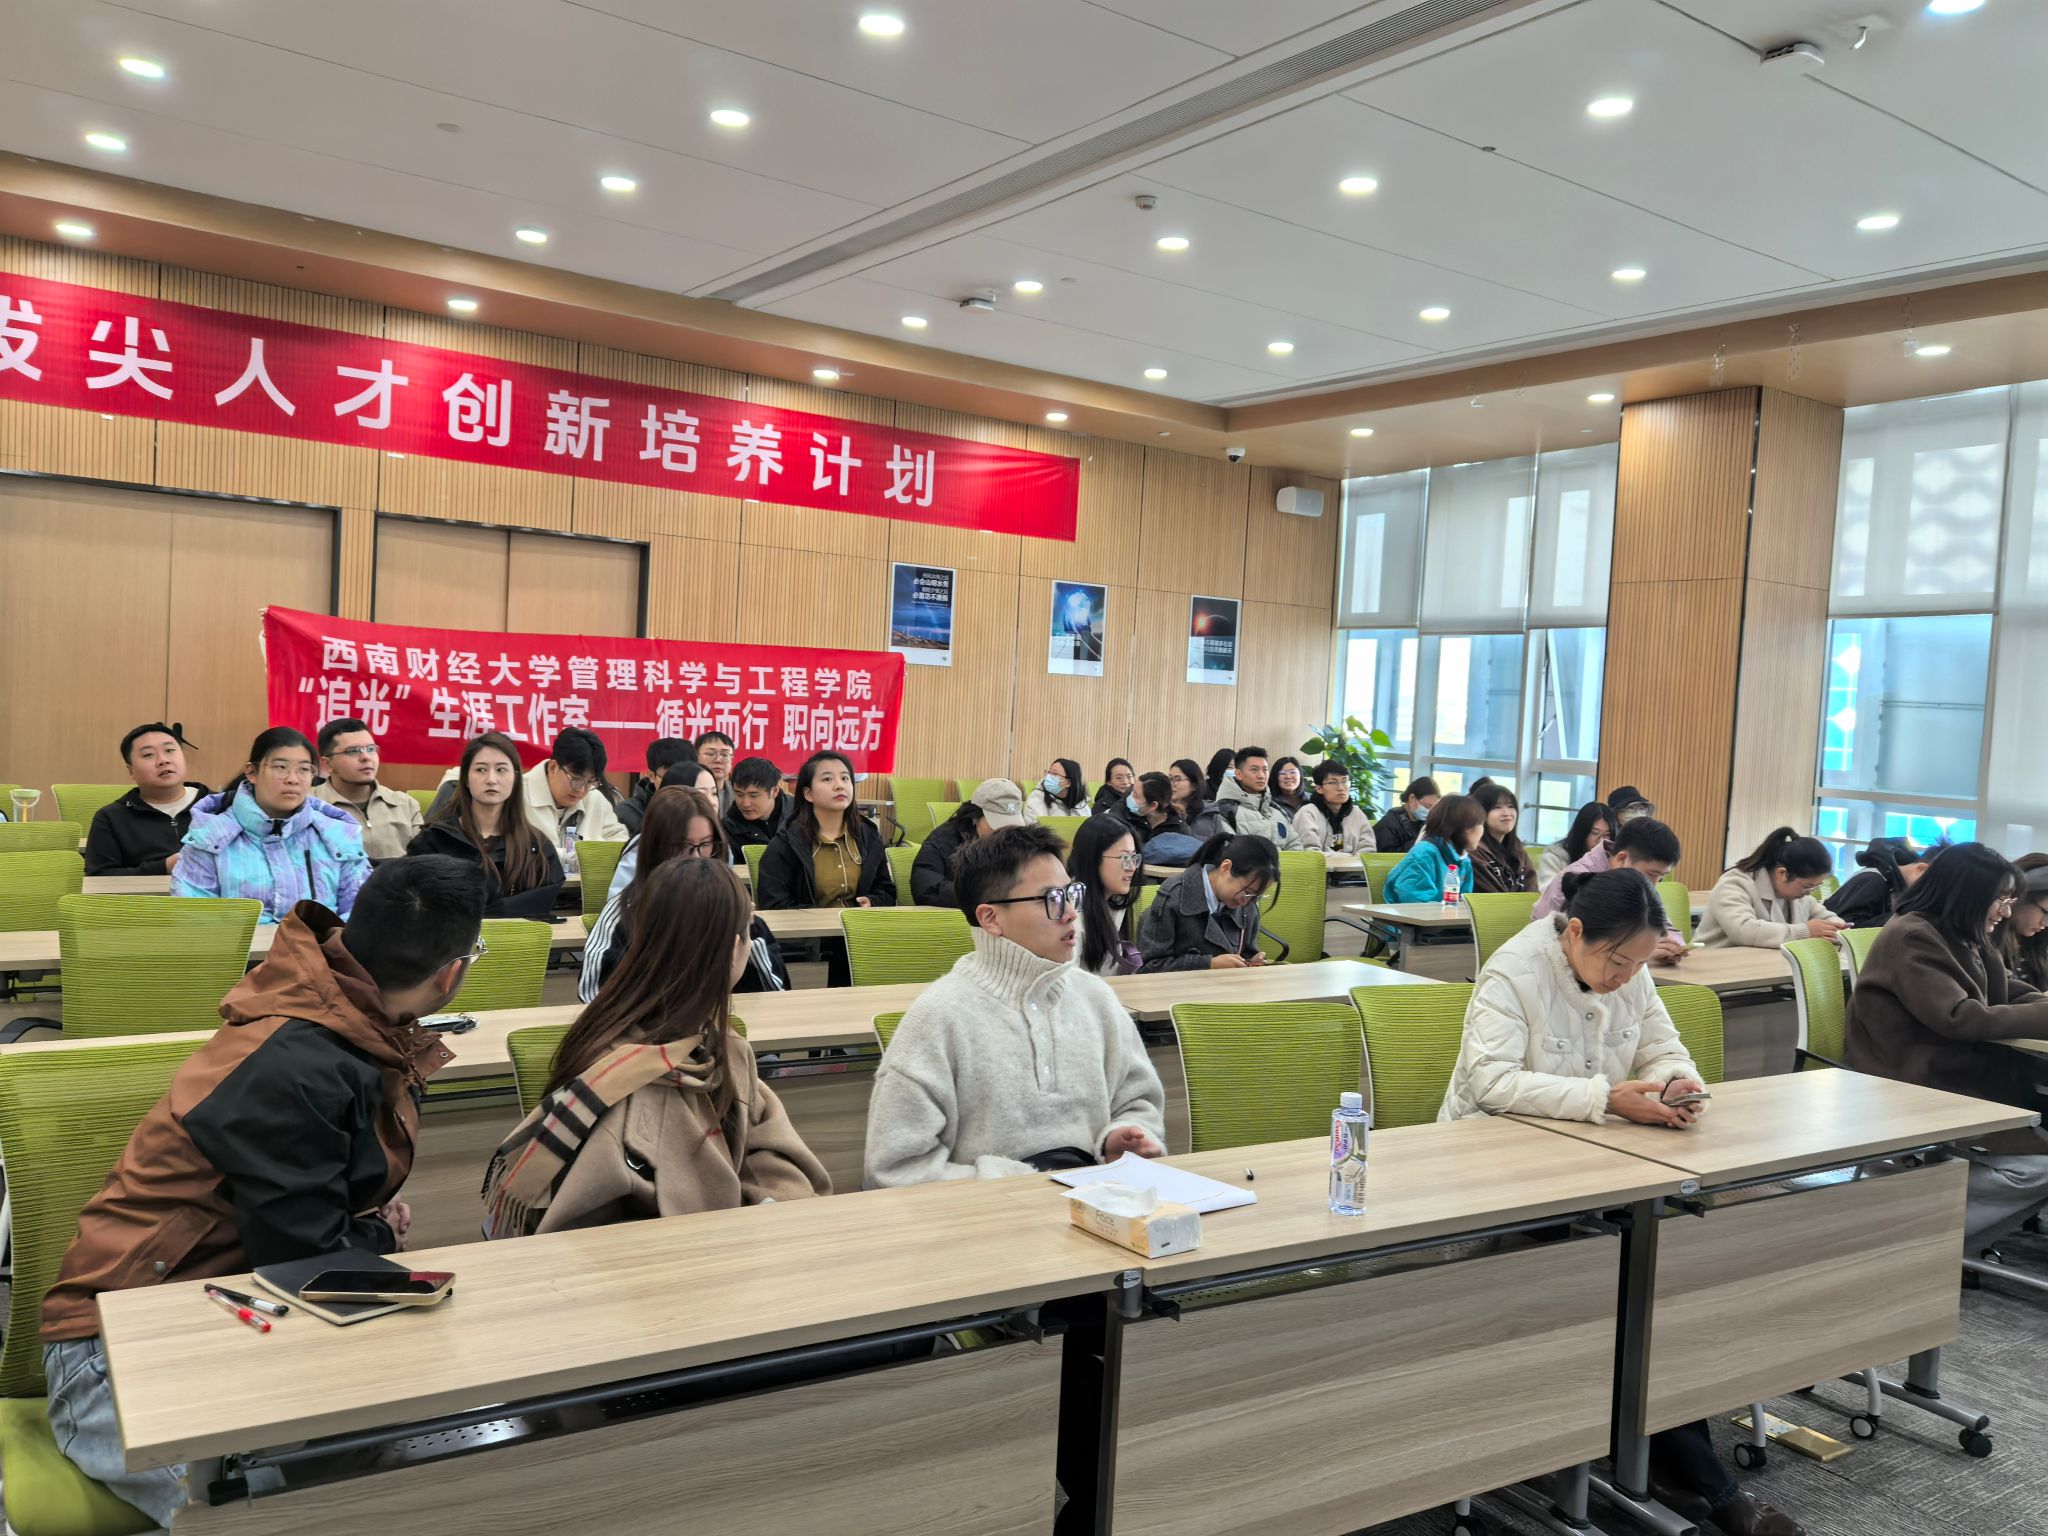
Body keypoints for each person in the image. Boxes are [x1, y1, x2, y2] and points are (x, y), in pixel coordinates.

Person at [40, 856, 487, 1529]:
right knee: (288, 1509)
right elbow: (306, 1262)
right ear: (450, 973)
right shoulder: (298, 1061)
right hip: (114, 1357)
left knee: (417, 1445)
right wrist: (374, 1237)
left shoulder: (348, 1022)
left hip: (231, 1312)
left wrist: (360, 1237)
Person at [1437, 869, 1804, 1536]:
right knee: (1631, 1279)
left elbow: (1663, 1047)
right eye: (1617, 961)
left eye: (1638, 963)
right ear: (1575, 932)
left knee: (1667, 1268)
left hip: (1592, 1170)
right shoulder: (1514, 971)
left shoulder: (1627, 967)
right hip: (1497, 1178)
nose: (1626, 976)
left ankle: (1664, 1461)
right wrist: (1605, 1098)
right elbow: (1492, 1083)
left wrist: (1676, 1084)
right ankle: (1711, 1487)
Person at [486, 856, 827, 1237]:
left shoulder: (711, 1041)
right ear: (735, 949)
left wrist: (770, 1201)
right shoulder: (630, 1085)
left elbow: (763, 1142)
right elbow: (597, 1235)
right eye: (750, 929)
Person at [865, 825, 1165, 1185]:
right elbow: (894, 1168)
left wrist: (1119, 1137)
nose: (1071, 912)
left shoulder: (1097, 999)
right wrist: (1021, 1182)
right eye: (1050, 899)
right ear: (990, 918)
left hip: (1099, 1202)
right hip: (990, 1213)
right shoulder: (938, 1017)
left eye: (1071, 894)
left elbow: (1139, 1101)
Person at [1849, 842, 2048, 1257]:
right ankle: (1916, 1236)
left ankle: (1936, 1228)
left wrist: (2040, 1003)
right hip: (1916, 1081)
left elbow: (2002, 990)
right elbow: (1962, 1017)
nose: (2005, 912)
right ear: (1966, 895)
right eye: (2000, 900)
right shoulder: (1914, 936)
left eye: (2010, 901)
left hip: (1954, 1070)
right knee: (2040, 1165)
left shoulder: (1960, 932)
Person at [581, 787, 788, 1002]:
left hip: (725, 1019)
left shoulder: (731, 907)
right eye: (682, 846)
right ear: (655, 848)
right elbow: (592, 992)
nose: (696, 858)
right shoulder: (625, 910)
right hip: (648, 1022)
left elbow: (777, 990)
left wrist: (745, 934)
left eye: (706, 844)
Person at [171, 727, 370, 922]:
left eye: (303, 769)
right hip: (238, 945)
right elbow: (193, 918)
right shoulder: (210, 836)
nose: (293, 779)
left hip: (323, 945)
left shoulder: (337, 835)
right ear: (252, 772)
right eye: (280, 767)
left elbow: (361, 915)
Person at [756, 752, 896, 984]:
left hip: (860, 939)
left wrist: (873, 901)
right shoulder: (787, 842)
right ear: (808, 794)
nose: (839, 785)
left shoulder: (868, 835)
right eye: (828, 779)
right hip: (810, 944)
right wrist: (818, 918)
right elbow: (773, 903)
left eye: (845, 778)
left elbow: (887, 891)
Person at [405, 732, 564, 918]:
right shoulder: (434, 840)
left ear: (515, 778)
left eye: (501, 770)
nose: (491, 779)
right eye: (480, 770)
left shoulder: (537, 845)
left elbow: (543, 902)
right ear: (465, 778)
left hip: (515, 936)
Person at [1531, 815, 1687, 961]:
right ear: (1622, 859)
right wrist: (1641, 952)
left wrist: (1672, 946)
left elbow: (1664, 926)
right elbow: (1550, 944)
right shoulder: (1577, 880)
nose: (1654, 885)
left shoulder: (1638, 881)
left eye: (1661, 877)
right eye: (1651, 874)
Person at [83, 721, 211, 877]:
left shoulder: (222, 806)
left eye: (170, 750)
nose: (163, 760)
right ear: (131, 771)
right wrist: (162, 868)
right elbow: (98, 877)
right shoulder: (111, 818)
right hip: (146, 893)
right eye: (148, 755)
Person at [1138, 832, 1280, 971]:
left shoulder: (1247, 904)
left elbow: (1246, 951)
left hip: (1229, 985)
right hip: (1184, 986)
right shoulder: (1173, 896)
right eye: (1247, 891)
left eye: (1257, 895)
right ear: (1226, 867)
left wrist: (1251, 962)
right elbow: (1151, 966)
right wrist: (1208, 964)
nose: (1248, 901)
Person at [1694, 828, 1846, 950]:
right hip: (1715, 967)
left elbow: (1826, 916)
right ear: (1782, 873)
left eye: (1815, 886)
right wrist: (1805, 931)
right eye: (1807, 886)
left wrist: (1836, 928)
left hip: (1764, 969)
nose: (1809, 893)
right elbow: (1743, 931)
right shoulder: (1735, 883)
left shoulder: (1799, 895)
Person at [313, 718, 423, 861]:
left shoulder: (405, 805)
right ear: (327, 764)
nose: (366, 757)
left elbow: (422, 863)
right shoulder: (309, 806)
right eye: (353, 751)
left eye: (371, 749)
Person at [914, 779, 1028, 909]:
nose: (1003, 833)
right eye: (997, 825)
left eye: (1010, 826)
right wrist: (984, 895)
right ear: (975, 817)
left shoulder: (1018, 840)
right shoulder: (942, 841)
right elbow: (926, 889)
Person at [1070, 814, 1144, 977]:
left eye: (1134, 858)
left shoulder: (1115, 901)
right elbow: (1066, 981)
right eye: (1124, 858)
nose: (1132, 867)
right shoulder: (1069, 912)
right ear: (1093, 859)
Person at [1383, 793, 1482, 903]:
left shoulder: (1463, 860)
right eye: (1479, 824)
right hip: (1410, 914)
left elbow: (1464, 902)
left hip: (1444, 913)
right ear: (1462, 827)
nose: (1482, 830)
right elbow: (1416, 903)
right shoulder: (1423, 855)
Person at [1825, 836, 1928, 929]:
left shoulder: (1891, 882)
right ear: (1921, 869)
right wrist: (1903, 915)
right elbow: (1847, 926)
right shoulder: (1872, 880)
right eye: (1929, 883)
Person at [1212, 745, 1298, 848]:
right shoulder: (1225, 811)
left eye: (1265, 770)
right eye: (1254, 770)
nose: (1261, 775)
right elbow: (1231, 851)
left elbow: (1296, 845)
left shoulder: (1277, 811)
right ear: (1238, 774)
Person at [616, 736, 695, 834]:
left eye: (687, 777)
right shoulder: (627, 813)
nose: (680, 784)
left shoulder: (703, 806)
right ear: (651, 776)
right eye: (670, 778)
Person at [1469, 782, 1537, 894]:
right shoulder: (1474, 851)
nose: (1506, 813)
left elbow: (1532, 890)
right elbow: (1492, 895)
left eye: (1511, 806)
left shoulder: (1517, 849)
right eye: (1497, 807)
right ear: (1480, 812)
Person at [1293, 760, 1372, 854]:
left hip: (1355, 864)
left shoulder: (1357, 814)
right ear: (1319, 789)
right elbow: (1310, 853)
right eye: (1333, 782)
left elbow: (1368, 850)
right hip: (1319, 864)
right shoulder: (1307, 814)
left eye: (1344, 781)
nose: (1341, 788)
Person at [722, 755, 790, 859]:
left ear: (774, 791)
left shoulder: (799, 814)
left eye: (753, 795)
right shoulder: (728, 828)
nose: (745, 803)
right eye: (739, 794)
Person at [1537, 801, 1611, 891]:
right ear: (1581, 832)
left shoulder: (1613, 858)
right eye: (1595, 833)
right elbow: (1548, 893)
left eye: (1607, 834)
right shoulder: (1554, 857)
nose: (1601, 841)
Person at [2000, 854, 2048, 989]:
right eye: (2046, 912)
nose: (2046, 924)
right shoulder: (1985, 944)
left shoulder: (2036, 944)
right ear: (2020, 898)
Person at [1372, 776, 1440, 855]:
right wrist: (1418, 842)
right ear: (1412, 798)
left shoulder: (1425, 824)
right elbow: (1384, 856)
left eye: (1433, 808)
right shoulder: (1389, 823)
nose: (1430, 812)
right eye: (1427, 806)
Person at [1168, 757, 1225, 839]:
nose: (1172, 784)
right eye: (1170, 779)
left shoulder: (1210, 813)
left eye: (1177, 779)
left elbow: (1224, 844)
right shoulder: (1163, 812)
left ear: (1194, 785)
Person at [1025, 758, 1089, 821]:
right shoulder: (1036, 797)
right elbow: (1038, 825)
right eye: (1049, 772)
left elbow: (1086, 824)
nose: (1048, 777)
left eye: (1055, 774)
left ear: (1067, 783)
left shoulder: (1080, 804)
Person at [694, 729, 737, 817]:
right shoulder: (687, 791)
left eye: (725, 755)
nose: (718, 760)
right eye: (711, 754)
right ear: (696, 757)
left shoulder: (738, 794)